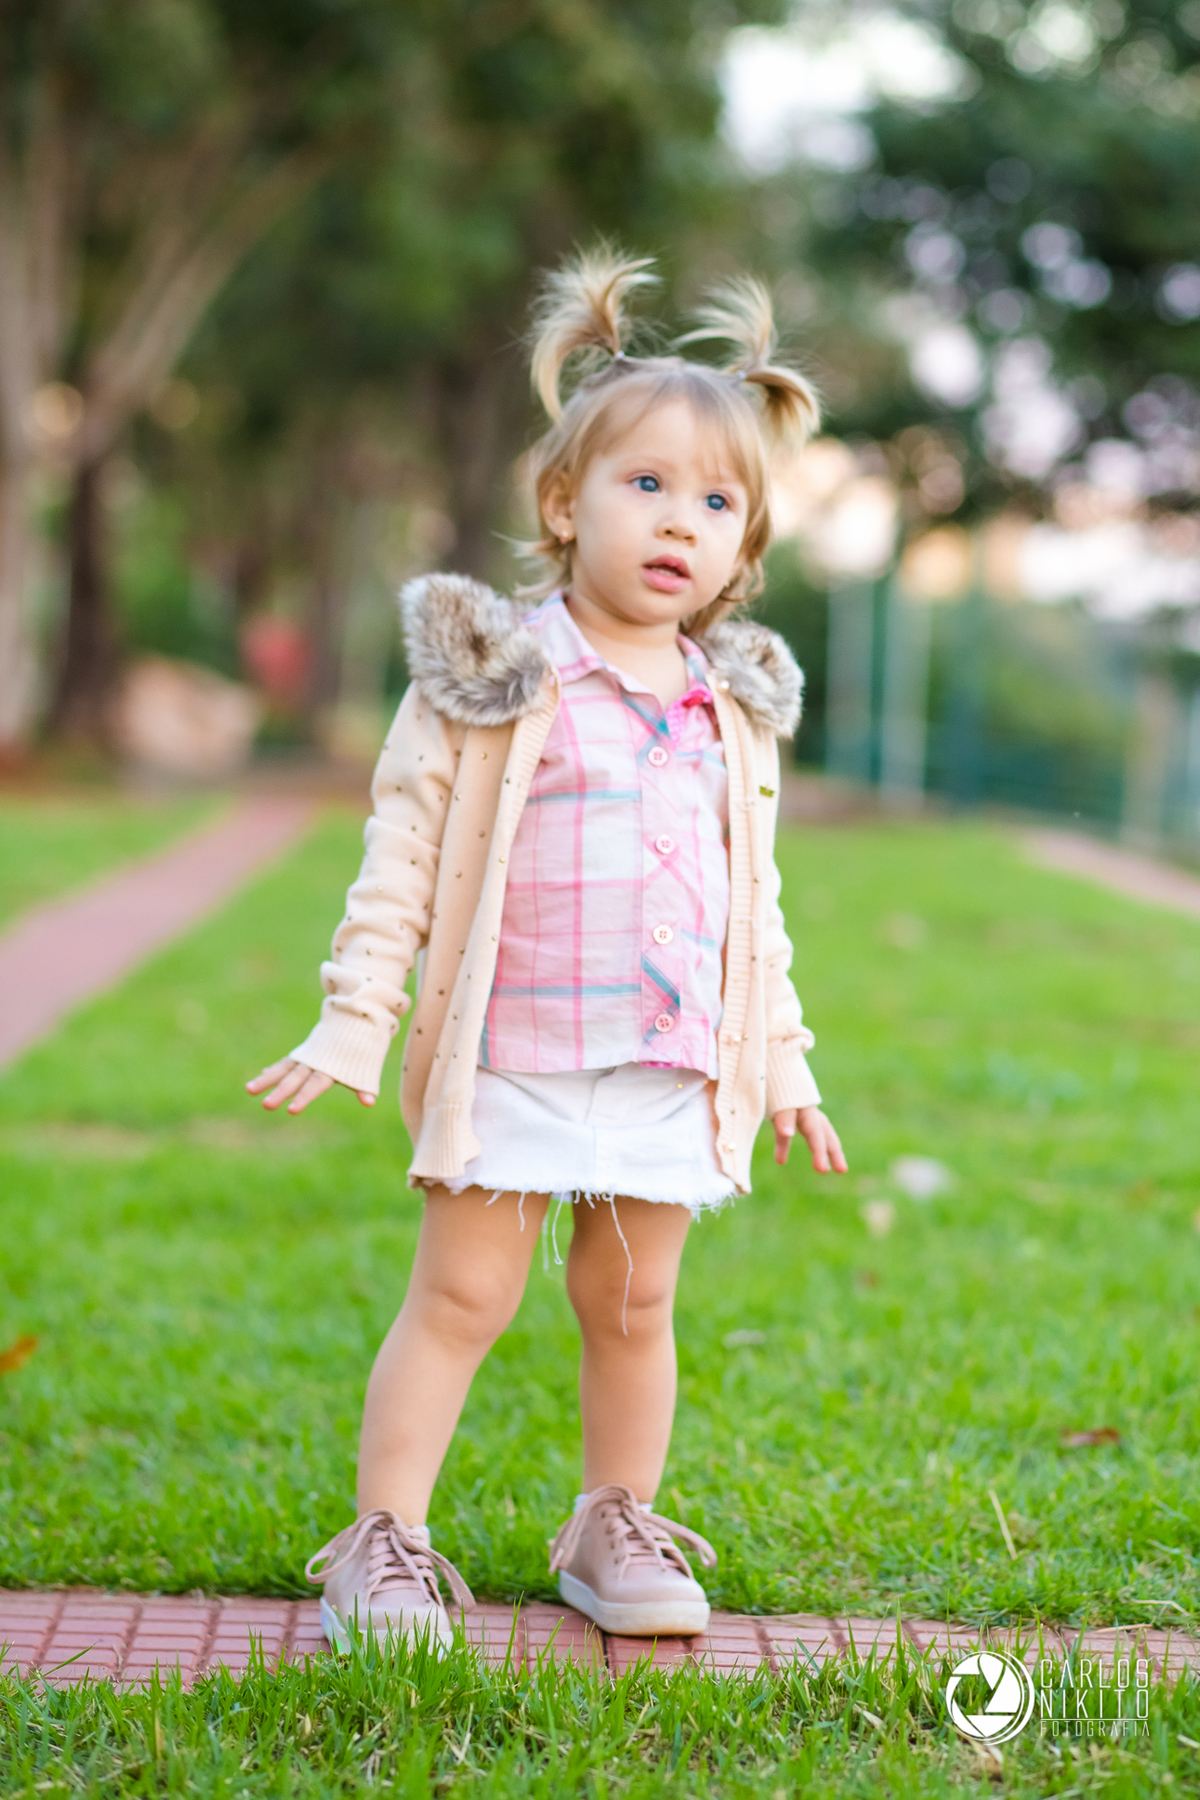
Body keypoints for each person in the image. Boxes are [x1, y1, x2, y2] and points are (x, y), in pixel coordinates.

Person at [246, 246, 848, 1652]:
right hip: (511, 1051)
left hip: (667, 1059)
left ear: (741, 551)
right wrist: (354, 1017)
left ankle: (611, 1522)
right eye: (647, 486)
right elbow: (401, 856)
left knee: (634, 1301)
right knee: (464, 1292)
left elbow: (751, 915)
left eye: (716, 504)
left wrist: (788, 1065)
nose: (679, 524)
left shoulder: (727, 711)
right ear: (566, 503)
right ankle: (382, 1542)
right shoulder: (498, 675)